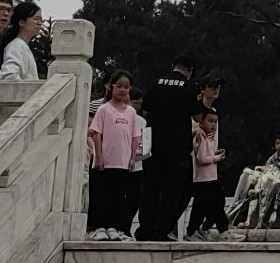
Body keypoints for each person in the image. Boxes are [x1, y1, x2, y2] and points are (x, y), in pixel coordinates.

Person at [135, 53, 198, 241]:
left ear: (173, 65)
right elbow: (197, 115)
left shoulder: (157, 84)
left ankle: (145, 229)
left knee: (150, 187)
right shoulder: (189, 87)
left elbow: (146, 109)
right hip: (177, 147)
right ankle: (161, 229)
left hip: (154, 145)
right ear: (190, 71)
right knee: (173, 190)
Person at [85, 72, 144, 240]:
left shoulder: (131, 112)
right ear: (112, 87)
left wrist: (133, 157)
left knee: (119, 196)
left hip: (123, 162)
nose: (123, 90)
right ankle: (99, 226)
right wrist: (99, 157)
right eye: (120, 86)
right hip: (105, 162)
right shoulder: (104, 110)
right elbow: (97, 134)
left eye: (127, 87)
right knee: (102, 194)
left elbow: (135, 137)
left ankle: (114, 226)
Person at [185, 108, 228, 240]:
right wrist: (216, 159)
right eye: (210, 121)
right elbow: (201, 159)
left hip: (210, 177)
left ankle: (194, 230)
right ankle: (223, 230)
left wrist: (215, 154)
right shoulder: (201, 137)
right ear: (201, 122)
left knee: (203, 206)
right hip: (204, 179)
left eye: (215, 122)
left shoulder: (208, 138)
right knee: (214, 204)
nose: (213, 125)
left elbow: (205, 156)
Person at [2, 0, 43, 81]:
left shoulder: (22, 46)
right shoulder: (17, 46)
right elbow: (10, 77)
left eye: (41, 20)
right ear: (21, 22)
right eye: (36, 19)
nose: (39, 23)